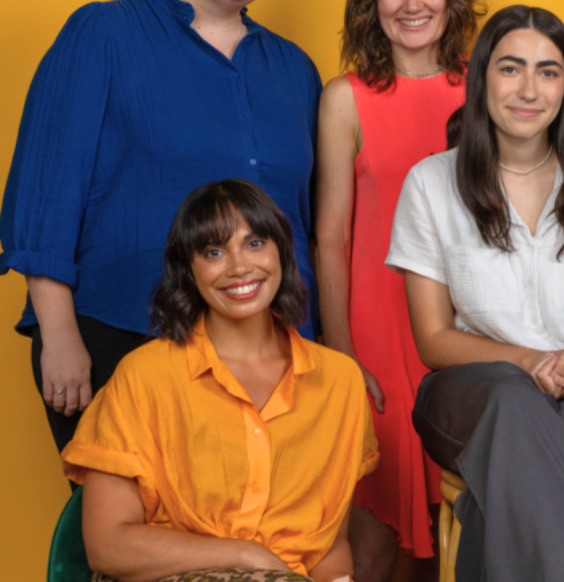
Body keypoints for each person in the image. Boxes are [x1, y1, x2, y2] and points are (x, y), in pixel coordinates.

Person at [0, 0, 322, 457]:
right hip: (122, 332)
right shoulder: (104, 33)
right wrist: (59, 334)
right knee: (133, 536)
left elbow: (303, 224)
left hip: (264, 352)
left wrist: (314, 345)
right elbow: (47, 193)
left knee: (256, 537)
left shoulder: (294, 70)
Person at [385, 5, 564, 582]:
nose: (529, 89)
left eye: (548, 71)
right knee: (512, 404)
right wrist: (533, 362)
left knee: (515, 474)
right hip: (470, 393)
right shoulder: (431, 183)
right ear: (483, 77)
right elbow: (434, 340)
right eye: (511, 69)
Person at [62, 179, 378, 582]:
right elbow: (108, 546)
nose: (239, 266)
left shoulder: (339, 382)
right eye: (213, 251)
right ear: (189, 270)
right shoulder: (144, 377)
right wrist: (247, 556)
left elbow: (328, 542)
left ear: (282, 251)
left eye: (255, 243)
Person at [316, 0, 484, 580]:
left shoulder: (487, 86)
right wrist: (341, 356)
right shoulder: (344, 100)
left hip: (469, 323)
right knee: (377, 531)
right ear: (370, 1)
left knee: (464, 515)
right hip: (378, 332)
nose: (412, 3)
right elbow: (331, 235)